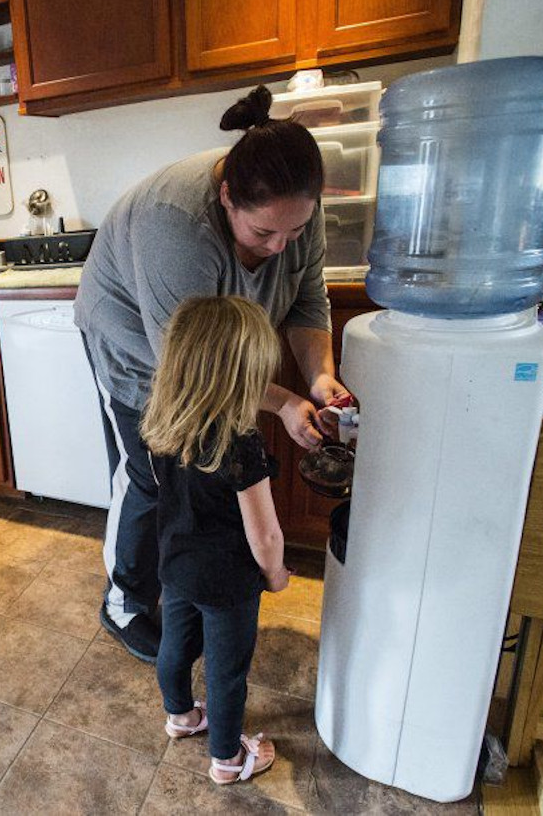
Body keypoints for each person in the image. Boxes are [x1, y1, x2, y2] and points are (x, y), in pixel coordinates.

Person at [75, 85, 348, 662]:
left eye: (294, 233)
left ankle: (176, 588)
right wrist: (281, 403)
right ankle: (123, 601)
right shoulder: (173, 224)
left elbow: (307, 300)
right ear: (227, 197)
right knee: (150, 473)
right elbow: (195, 366)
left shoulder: (297, 205)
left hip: (210, 359)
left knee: (197, 477)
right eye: (262, 234)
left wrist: (319, 378)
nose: (280, 248)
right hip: (137, 346)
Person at [140, 295, 289, 784]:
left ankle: (180, 716)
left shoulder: (162, 423)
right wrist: (275, 574)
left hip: (177, 563)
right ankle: (227, 758)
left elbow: (170, 494)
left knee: (176, 645)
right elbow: (263, 532)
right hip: (228, 582)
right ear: (239, 378)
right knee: (227, 672)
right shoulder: (240, 442)